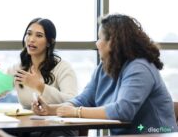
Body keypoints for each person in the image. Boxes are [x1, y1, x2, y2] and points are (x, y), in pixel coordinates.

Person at [32, 14, 178, 135]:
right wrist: (52, 109)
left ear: (112, 42)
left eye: (100, 38)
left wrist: (76, 112)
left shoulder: (140, 67)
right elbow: (84, 99)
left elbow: (123, 111)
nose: (97, 43)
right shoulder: (104, 67)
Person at [7, 18, 78, 109]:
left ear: (49, 42)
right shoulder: (18, 68)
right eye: (29, 34)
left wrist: (40, 86)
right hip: (26, 122)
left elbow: (73, 101)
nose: (31, 39)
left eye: (39, 35)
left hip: (55, 122)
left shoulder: (63, 67)